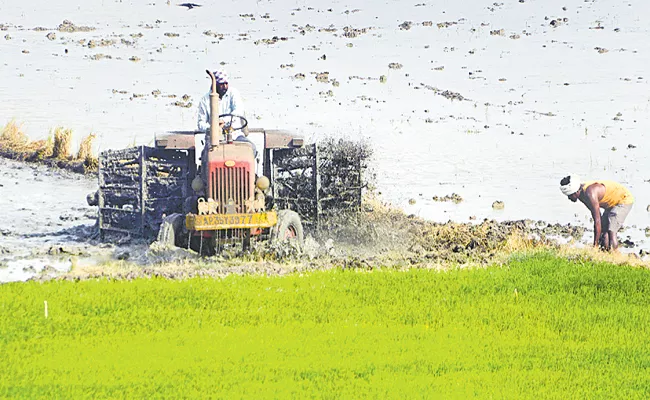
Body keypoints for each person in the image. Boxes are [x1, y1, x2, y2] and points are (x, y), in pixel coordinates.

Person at [194, 70, 256, 165]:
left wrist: (223, 120)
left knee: (252, 149)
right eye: (222, 84)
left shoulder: (233, 93)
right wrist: (213, 127)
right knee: (207, 157)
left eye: (226, 84)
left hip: (235, 135)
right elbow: (200, 123)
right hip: (214, 139)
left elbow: (238, 110)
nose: (225, 87)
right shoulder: (205, 101)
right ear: (215, 85)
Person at [560, 175, 634, 251]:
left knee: (611, 230)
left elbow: (597, 221)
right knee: (604, 229)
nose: (569, 198)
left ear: (575, 192)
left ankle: (614, 255)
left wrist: (595, 245)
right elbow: (597, 216)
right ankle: (605, 253)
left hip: (623, 200)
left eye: (570, 195)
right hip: (611, 203)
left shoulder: (590, 194)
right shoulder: (581, 195)